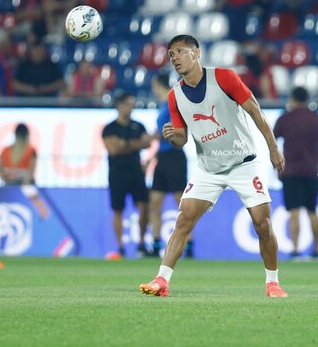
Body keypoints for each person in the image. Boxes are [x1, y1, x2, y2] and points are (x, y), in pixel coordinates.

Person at [139, 34, 287, 298]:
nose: (175, 58)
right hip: (208, 168)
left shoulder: (224, 78)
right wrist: (173, 137)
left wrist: (273, 148)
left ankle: (273, 283)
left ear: (196, 52)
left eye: (180, 51)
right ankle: (162, 279)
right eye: (171, 55)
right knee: (183, 220)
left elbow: (255, 111)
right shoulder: (175, 97)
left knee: (262, 224)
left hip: (244, 163)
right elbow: (182, 139)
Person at [273, 86, 318, 260]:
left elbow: (272, 142)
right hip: (311, 171)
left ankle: (295, 249)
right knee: (312, 211)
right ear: (306, 100)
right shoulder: (317, 119)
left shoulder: (285, 118)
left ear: (292, 99)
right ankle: (317, 250)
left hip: (290, 171)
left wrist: (275, 165)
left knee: (294, 211)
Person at [102, 92, 155, 259]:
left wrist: (124, 144)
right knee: (118, 209)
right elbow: (113, 149)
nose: (131, 108)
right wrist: (136, 144)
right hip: (117, 173)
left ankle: (141, 244)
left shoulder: (138, 126)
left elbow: (148, 143)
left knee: (144, 206)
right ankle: (120, 247)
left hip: (136, 171)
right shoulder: (109, 128)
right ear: (119, 105)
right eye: (128, 104)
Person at [148, 74, 191, 258]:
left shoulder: (173, 101)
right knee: (155, 202)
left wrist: (154, 137)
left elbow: (177, 130)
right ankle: (156, 244)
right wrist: (152, 158)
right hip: (163, 157)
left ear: (156, 83)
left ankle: (188, 245)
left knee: (181, 203)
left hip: (175, 156)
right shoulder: (163, 104)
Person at [0, 123, 49, 219]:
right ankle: (43, 214)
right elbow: (30, 171)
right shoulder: (29, 150)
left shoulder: (8, 150)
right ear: (27, 136)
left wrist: (7, 180)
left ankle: (43, 214)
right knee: (32, 195)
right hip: (19, 183)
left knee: (30, 193)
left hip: (16, 183)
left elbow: (1, 170)